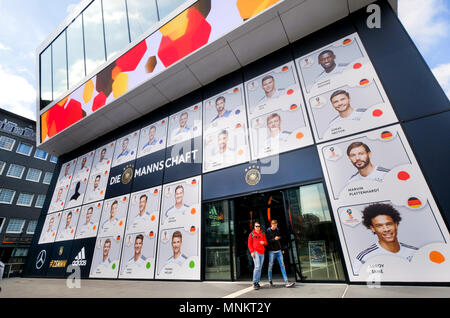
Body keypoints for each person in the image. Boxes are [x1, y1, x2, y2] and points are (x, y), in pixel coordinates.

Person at [355, 203, 418, 274]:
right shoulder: (364, 258)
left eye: (389, 224)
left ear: (396, 225)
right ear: (373, 228)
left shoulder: (415, 252)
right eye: (379, 226)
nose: (386, 229)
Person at [266, 220, 295, 288]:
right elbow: (267, 241)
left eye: (276, 225)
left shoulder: (277, 230)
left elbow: (280, 240)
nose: (275, 227)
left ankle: (286, 282)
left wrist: (282, 249)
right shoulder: (268, 231)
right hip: (272, 252)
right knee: (270, 267)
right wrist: (274, 239)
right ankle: (270, 281)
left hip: (279, 251)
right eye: (274, 225)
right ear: (271, 225)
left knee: (282, 266)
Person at [248, 221, 267, 290]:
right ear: (254, 227)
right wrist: (252, 252)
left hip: (262, 252)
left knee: (260, 268)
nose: (258, 227)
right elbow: (249, 244)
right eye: (256, 226)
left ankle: (257, 282)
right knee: (257, 266)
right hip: (255, 252)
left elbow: (266, 243)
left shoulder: (263, 233)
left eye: (259, 226)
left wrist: (263, 242)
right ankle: (254, 282)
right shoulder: (251, 234)